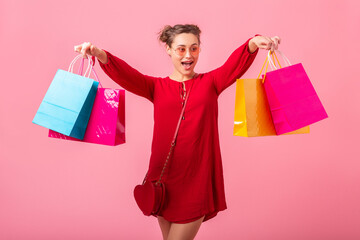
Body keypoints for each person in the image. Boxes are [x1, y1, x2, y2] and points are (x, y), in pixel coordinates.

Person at [74, 24, 280, 240]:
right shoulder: (155, 87)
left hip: (197, 180)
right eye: (181, 49)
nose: (188, 55)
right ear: (169, 50)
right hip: (163, 182)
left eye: (194, 48)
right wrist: (98, 53)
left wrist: (254, 43)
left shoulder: (211, 82)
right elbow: (127, 74)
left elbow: (234, 65)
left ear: (200, 49)